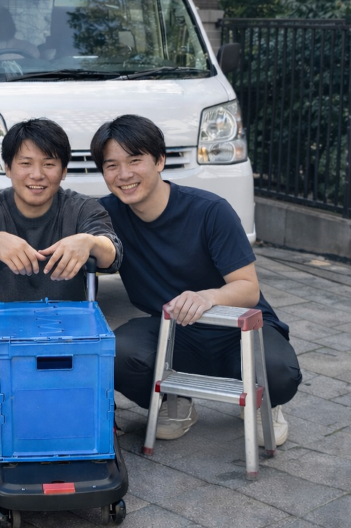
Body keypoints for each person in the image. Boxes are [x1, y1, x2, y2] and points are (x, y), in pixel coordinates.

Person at [90, 114, 302, 444]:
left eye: (135, 160)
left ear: (160, 161)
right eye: (111, 165)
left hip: (236, 329)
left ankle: (263, 401)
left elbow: (248, 288)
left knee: (279, 373)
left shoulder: (209, 211)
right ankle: (176, 402)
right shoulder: (105, 215)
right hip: (174, 332)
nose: (124, 174)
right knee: (113, 353)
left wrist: (208, 297)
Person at [0, 118, 122, 429]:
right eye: (25, 163)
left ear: (63, 170)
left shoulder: (82, 209)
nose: (37, 175)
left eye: (49, 164)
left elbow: (113, 253)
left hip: (67, 338)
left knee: (82, 410)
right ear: (8, 168)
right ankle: (10, 414)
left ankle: (26, 414)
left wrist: (89, 242)